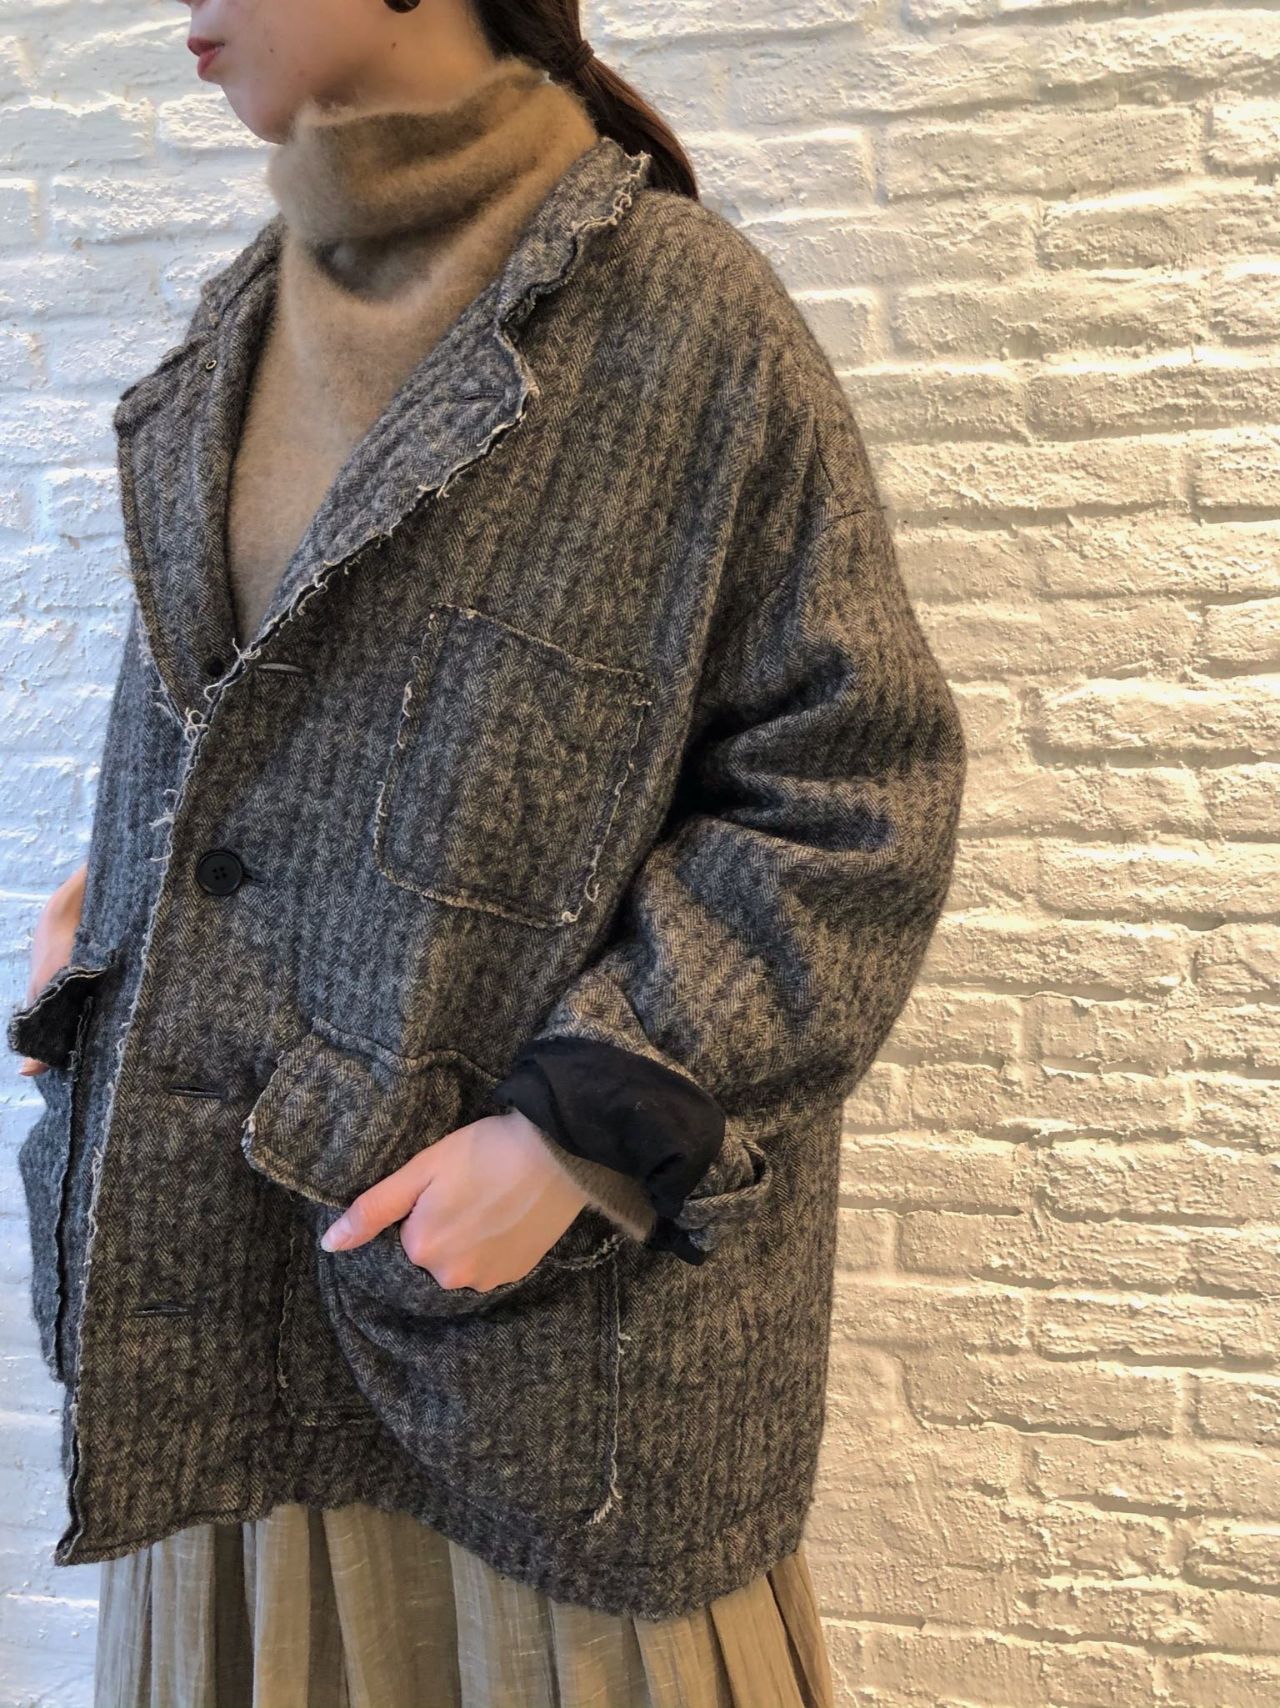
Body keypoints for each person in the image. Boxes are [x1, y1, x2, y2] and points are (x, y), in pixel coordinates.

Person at [7, 1, 967, 1704]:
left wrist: (586, 1130)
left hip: (534, 1361)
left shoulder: (679, 317)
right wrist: (120, 905)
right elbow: (254, 714)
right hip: (220, 1317)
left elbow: (848, 783)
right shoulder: (241, 320)